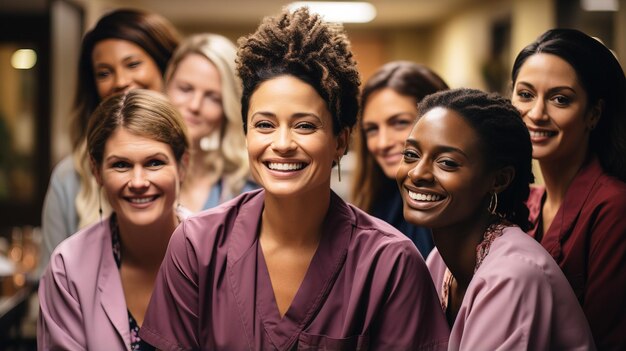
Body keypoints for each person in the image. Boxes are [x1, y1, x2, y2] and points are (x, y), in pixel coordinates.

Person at [139, 7, 450, 350]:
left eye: (305, 125)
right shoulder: (197, 247)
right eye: (264, 125)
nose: (283, 144)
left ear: (340, 141)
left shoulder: (390, 263)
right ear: (246, 135)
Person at [397, 88, 595, 350]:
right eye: (411, 155)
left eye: (447, 162)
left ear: (499, 180)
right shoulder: (439, 262)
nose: (418, 173)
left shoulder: (513, 277)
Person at [38, 89, 189, 349]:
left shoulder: (220, 257)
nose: (139, 182)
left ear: (183, 166)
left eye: (154, 163)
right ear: (96, 172)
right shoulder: (68, 269)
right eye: (121, 165)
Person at [39, 8, 180, 275]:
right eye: (104, 73)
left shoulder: (215, 168)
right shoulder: (70, 177)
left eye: (133, 64)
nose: (121, 81)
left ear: (165, 67)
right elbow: (48, 283)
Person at [511, 28, 626, 349]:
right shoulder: (526, 202)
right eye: (525, 94)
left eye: (560, 99)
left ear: (593, 114)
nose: (536, 113)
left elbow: (604, 340)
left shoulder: (613, 207)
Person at [352, 61, 448, 258]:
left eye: (399, 123)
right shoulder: (376, 204)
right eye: (372, 129)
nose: (382, 143)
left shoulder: (453, 209)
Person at [165, 33, 256, 212]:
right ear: (167, 86)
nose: (195, 105)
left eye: (212, 97)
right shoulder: (133, 174)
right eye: (185, 89)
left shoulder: (244, 188)